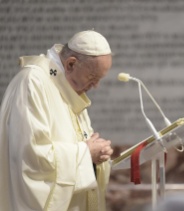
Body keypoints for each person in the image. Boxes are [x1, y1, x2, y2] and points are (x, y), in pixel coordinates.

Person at [0, 31, 114, 211]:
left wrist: (96, 155)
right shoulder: (32, 83)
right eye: (93, 78)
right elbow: (30, 158)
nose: (95, 86)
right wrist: (85, 153)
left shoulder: (67, 86)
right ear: (71, 64)